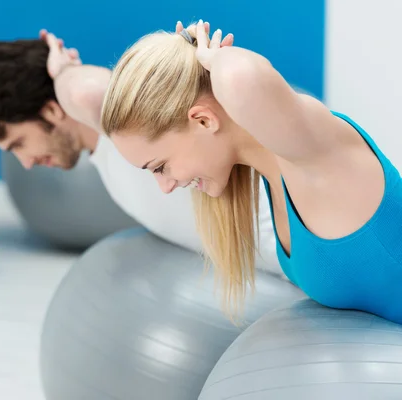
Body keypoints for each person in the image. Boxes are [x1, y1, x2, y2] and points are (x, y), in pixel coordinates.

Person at [100, 19, 402, 323]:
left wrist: (208, 56)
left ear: (204, 120)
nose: (165, 186)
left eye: (160, 167)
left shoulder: (311, 155)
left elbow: (242, 78)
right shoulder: (273, 176)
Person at [0, 26, 286, 281]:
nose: (26, 163)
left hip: (310, 249)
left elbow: (86, 93)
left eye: (18, 144)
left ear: (52, 111)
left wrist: (63, 72)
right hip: (297, 270)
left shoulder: (119, 117)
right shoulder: (115, 157)